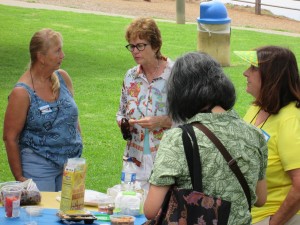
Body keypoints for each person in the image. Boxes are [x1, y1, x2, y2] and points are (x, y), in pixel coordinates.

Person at [143, 51, 268, 224]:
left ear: (181, 93)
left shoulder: (179, 138)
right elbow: (261, 198)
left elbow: (151, 210)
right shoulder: (255, 134)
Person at [3, 28, 83, 192]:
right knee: (43, 215)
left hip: (72, 164)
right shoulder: (22, 92)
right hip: (39, 167)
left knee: (71, 216)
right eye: (57, 51)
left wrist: (77, 141)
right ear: (41, 57)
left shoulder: (63, 77)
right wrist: (19, 178)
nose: (63, 55)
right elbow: (10, 138)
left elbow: (72, 116)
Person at [235, 46, 300, 225]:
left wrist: (274, 222)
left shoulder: (290, 120)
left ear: (273, 76)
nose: (245, 73)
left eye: (253, 68)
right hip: (249, 212)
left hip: (274, 215)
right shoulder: (257, 107)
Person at [116, 17, 173, 190]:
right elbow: (121, 113)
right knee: (130, 210)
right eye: (131, 46)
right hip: (134, 159)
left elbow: (190, 119)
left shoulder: (175, 74)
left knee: (162, 214)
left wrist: (162, 121)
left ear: (155, 45)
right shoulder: (130, 76)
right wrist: (125, 123)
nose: (135, 51)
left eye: (140, 45)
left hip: (167, 159)